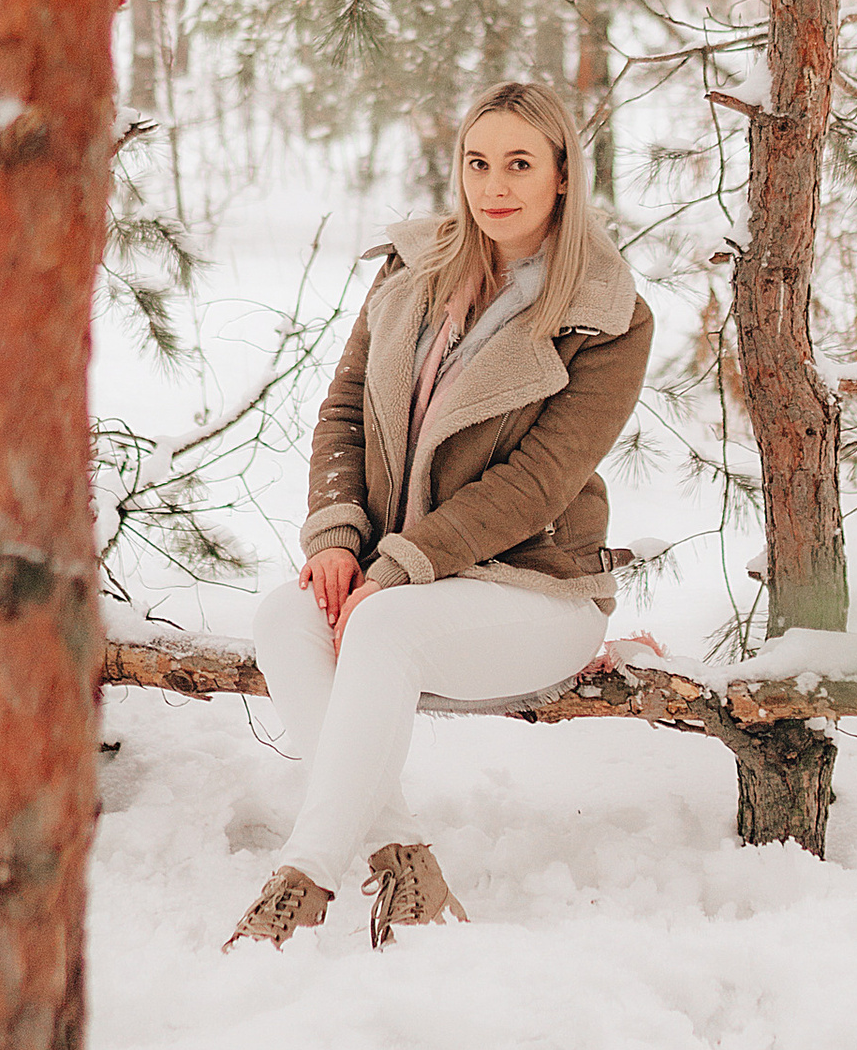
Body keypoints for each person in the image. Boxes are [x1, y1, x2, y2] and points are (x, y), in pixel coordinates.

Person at [227, 78, 653, 952]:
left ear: (563, 176)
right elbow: (345, 406)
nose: (495, 184)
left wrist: (399, 564)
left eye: (521, 164)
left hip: (538, 591)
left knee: (382, 628)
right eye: (478, 161)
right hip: (403, 577)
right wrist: (342, 538)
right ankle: (404, 864)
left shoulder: (607, 313)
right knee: (283, 613)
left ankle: (303, 880)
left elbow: (539, 480)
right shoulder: (411, 268)